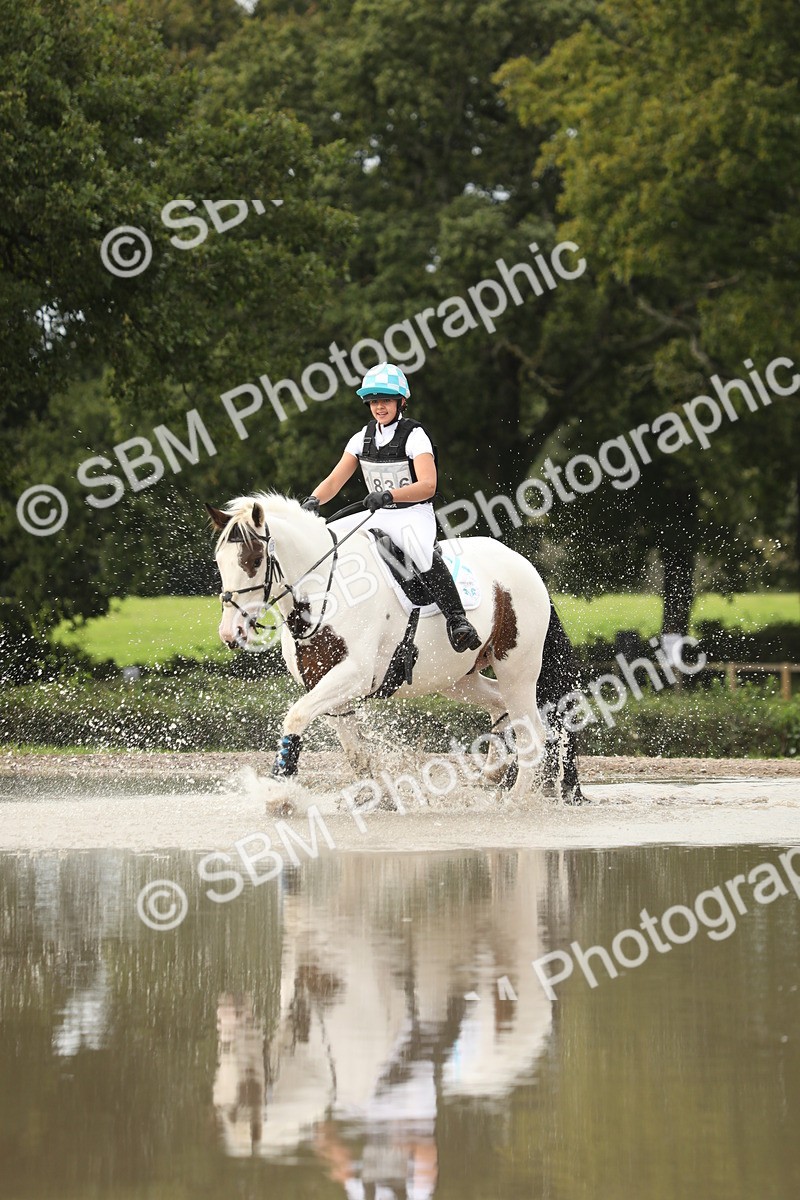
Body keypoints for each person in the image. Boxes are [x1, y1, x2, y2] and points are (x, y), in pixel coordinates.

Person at [302, 362, 481, 652]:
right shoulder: (362, 438)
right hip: (380, 513)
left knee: (420, 551)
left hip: (413, 513)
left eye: (385, 400)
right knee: (328, 537)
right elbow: (336, 479)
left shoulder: (414, 436)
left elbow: (428, 486)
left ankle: (457, 620)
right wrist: (313, 500)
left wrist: (389, 495)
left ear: (400, 402)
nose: (379, 407)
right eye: (374, 401)